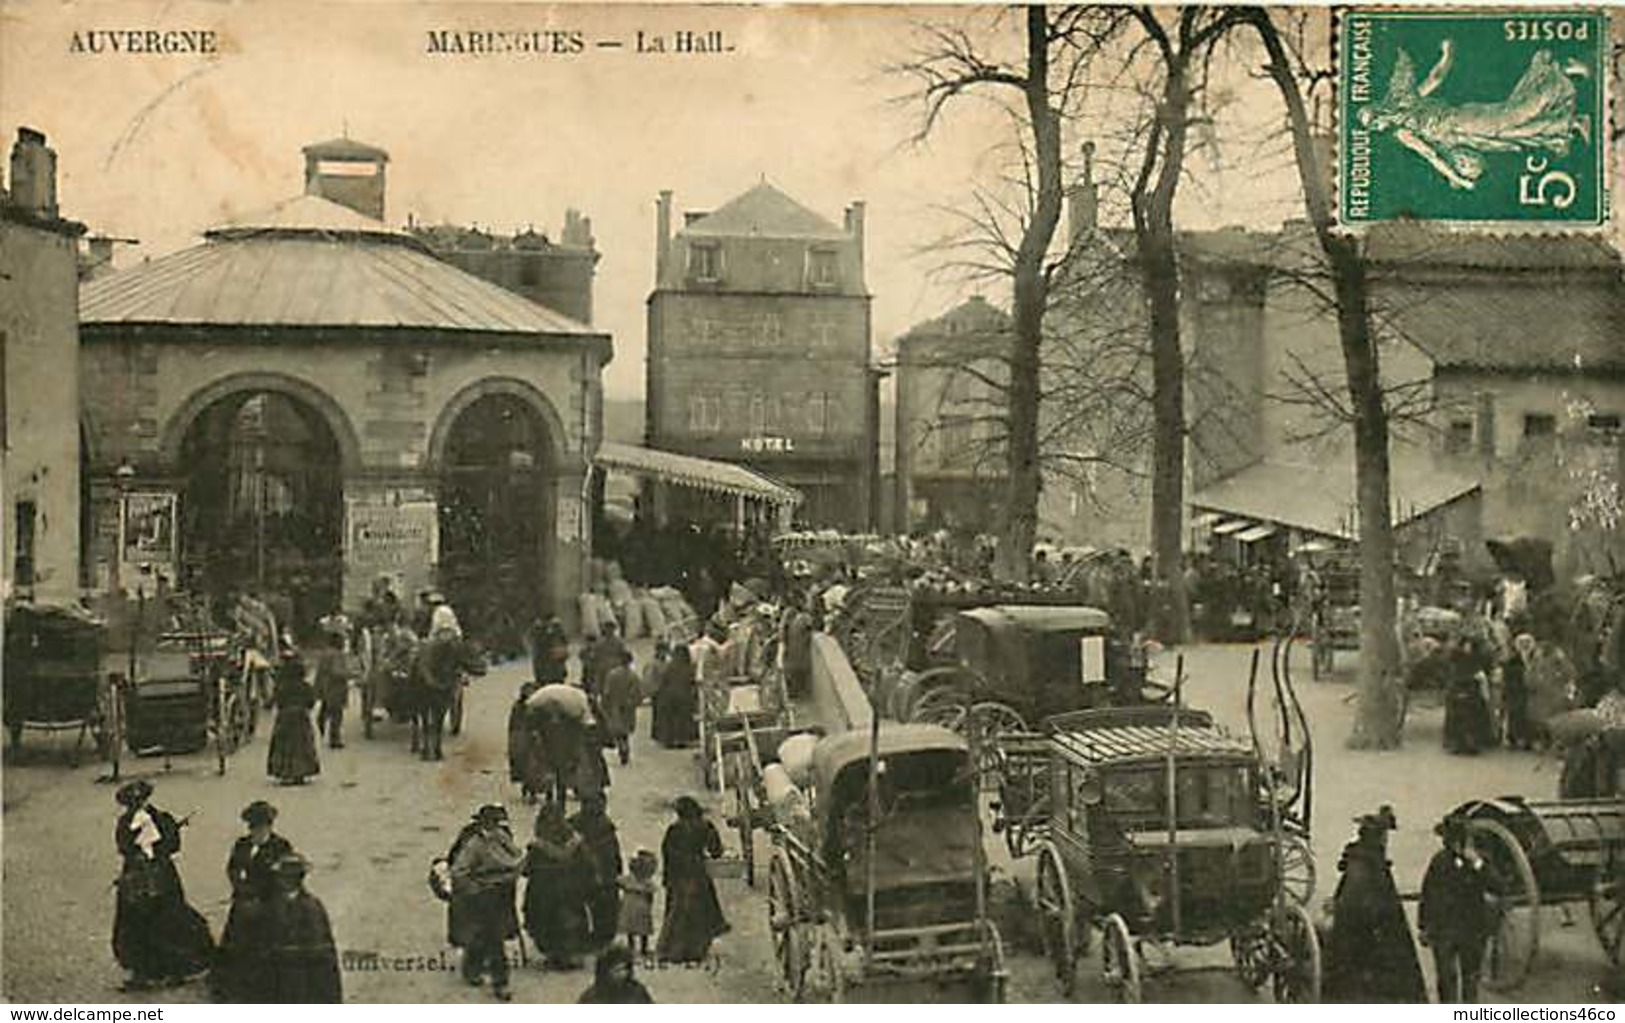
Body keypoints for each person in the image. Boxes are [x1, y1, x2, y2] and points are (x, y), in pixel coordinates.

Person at [111, 781, 215, 992]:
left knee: (168, 918)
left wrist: (160, 845)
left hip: (161, 875)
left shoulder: (161, 819)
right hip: (135, 877)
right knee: (134, 921)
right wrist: (137, 851)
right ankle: (142, 969)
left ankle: (175, 967)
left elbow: (173, 845)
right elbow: (122, 845)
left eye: (139, 801)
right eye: (132, 803)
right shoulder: (125, 822)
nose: (136, 806)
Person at [1322, 806, 1426, 1002]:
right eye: (1384, 836)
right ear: (1378, 838)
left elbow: (1346, 890)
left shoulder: (1360, 861)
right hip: (1364, 938)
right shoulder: (1370, 865)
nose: (1386, 841)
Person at [210, 801, 294, 1002]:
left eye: (261, 828)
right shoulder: (242, 844)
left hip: (269, 903)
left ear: (269, 826)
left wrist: (263, 895)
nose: (257, 832)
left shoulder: (281, 846)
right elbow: (232, 868)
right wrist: (240, 887)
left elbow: (285, 875)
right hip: (243, 901)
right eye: (253, 828)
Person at [1420, 814, 1499, 1003]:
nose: (1452, 844)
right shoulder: (1439, 862)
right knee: (1447, 980)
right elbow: (1428, 894)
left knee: (1470, 981)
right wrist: (1424, 927)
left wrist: (1478, 864)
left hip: (1471, 931)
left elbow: (1498, 886)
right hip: (1444, 931)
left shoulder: (1479, 863)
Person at [449, 805, 522, 1001]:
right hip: (483, 896)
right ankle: (499, 982)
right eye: (490, 822)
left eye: (496, 822)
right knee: (491, 937)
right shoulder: (475, 843)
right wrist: (474, 888)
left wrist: (512, 875)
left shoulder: (501, 837)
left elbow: (516, 858)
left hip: (501, 893)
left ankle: (475, 970)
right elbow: (458, 870)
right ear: (482, 822)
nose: (494, 826)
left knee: (489, 934)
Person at [258, 853, 342, 1003]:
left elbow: (320, 949)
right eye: (279, 876)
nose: (279, 881)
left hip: (304, 979)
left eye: (284, 877)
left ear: (295, 879)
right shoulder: (271, 905)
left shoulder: (311, 906)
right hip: (275, 979)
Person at [656, 796, 727, 964]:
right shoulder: (705, 827)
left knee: (677, 912)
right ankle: (696, 950)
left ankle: (674, 950)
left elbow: (667, 854)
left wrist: (667, 878)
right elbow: (716, 850)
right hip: (697, 872)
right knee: (700, 910)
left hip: (678, 874)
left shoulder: (674, 830)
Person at [524, 801, 592, 969]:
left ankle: (560, 954)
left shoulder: (540, 846)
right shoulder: (574, 843)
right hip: (562, 890)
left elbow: (528, 869)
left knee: (552, 921)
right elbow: (587, 863)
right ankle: (563, 954)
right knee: (560, 921)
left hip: (551, 890)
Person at [570, 794, 625, 949]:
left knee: (606, 904)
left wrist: (617, 866)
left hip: (606, 870)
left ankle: (603, 935)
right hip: (582, 870)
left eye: (601, 804)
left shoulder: (606, 824)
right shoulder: (575, 823)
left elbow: (613, 847)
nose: (600, 808)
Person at [268, 650, 320, 784]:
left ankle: (285, 773)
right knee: (301, 745)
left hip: (285, 717)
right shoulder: (305, 686)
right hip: (301, 718)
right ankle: (300, 773)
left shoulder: (281, 686)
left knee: (285, 746)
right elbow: (311, 702)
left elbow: (274, 701)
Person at [312, 619, 353, 750]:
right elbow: (337, 671)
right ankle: (334, 739)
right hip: (336, 687)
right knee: (336, 714)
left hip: (325, 687)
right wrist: (349, 674)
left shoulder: (325, 653)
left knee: (326, 710)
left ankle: (320, 729)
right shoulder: (337, 655)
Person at [598, 647, 640, 767]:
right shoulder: (633, 676)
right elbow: (638, 693)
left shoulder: (612, 675)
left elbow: (606, 692)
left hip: (615, 706)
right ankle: (625, 748)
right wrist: (634, 702)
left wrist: (604, 706)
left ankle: (622, 749)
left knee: (618, 731)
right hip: (628, 707)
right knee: (625, 731)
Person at [652, 645, 699, 748]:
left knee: (669, 719)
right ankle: (681, 740)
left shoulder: (669, 666)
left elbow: (663, 681)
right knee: (682, 719)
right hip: (684, 696)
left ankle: (669, 740)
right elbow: (693, 682)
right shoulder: (689, 667)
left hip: (668, 696)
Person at [577, 943, 654, 1003]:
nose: (626, 973)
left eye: (628, 968)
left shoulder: (638, 992)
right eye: (619, 970)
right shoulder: (591, 998)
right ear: (605, 972)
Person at [618, 849, 658, 960]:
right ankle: (643, 949)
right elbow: (651, 895)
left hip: (629, 908)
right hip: (642, 908)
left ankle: (632, 948)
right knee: (643, 930)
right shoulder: (647, 883)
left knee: (631, 930)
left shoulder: (627, 880)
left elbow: (618, 882)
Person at [509, 681, 543, 800]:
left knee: (535, 765)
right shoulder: (518, 707)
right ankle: (528, 787)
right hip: (522, 739)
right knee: (523, 764)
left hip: (534, 740)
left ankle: (533, 788)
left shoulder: (539, 707)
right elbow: (514, 726)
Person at [782, 604, 813, 699]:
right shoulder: (805, 618)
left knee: (793, 672)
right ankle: (800, 692)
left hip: (792, 651)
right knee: (800, 672)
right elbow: (810, 629)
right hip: (800, 652)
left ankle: (793, 692)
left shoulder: (790, 621)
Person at [530, 615, 570, 685]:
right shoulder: (544, 638)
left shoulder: (554, 637)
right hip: (549, 672)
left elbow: (563, 654)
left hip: (551, 672)